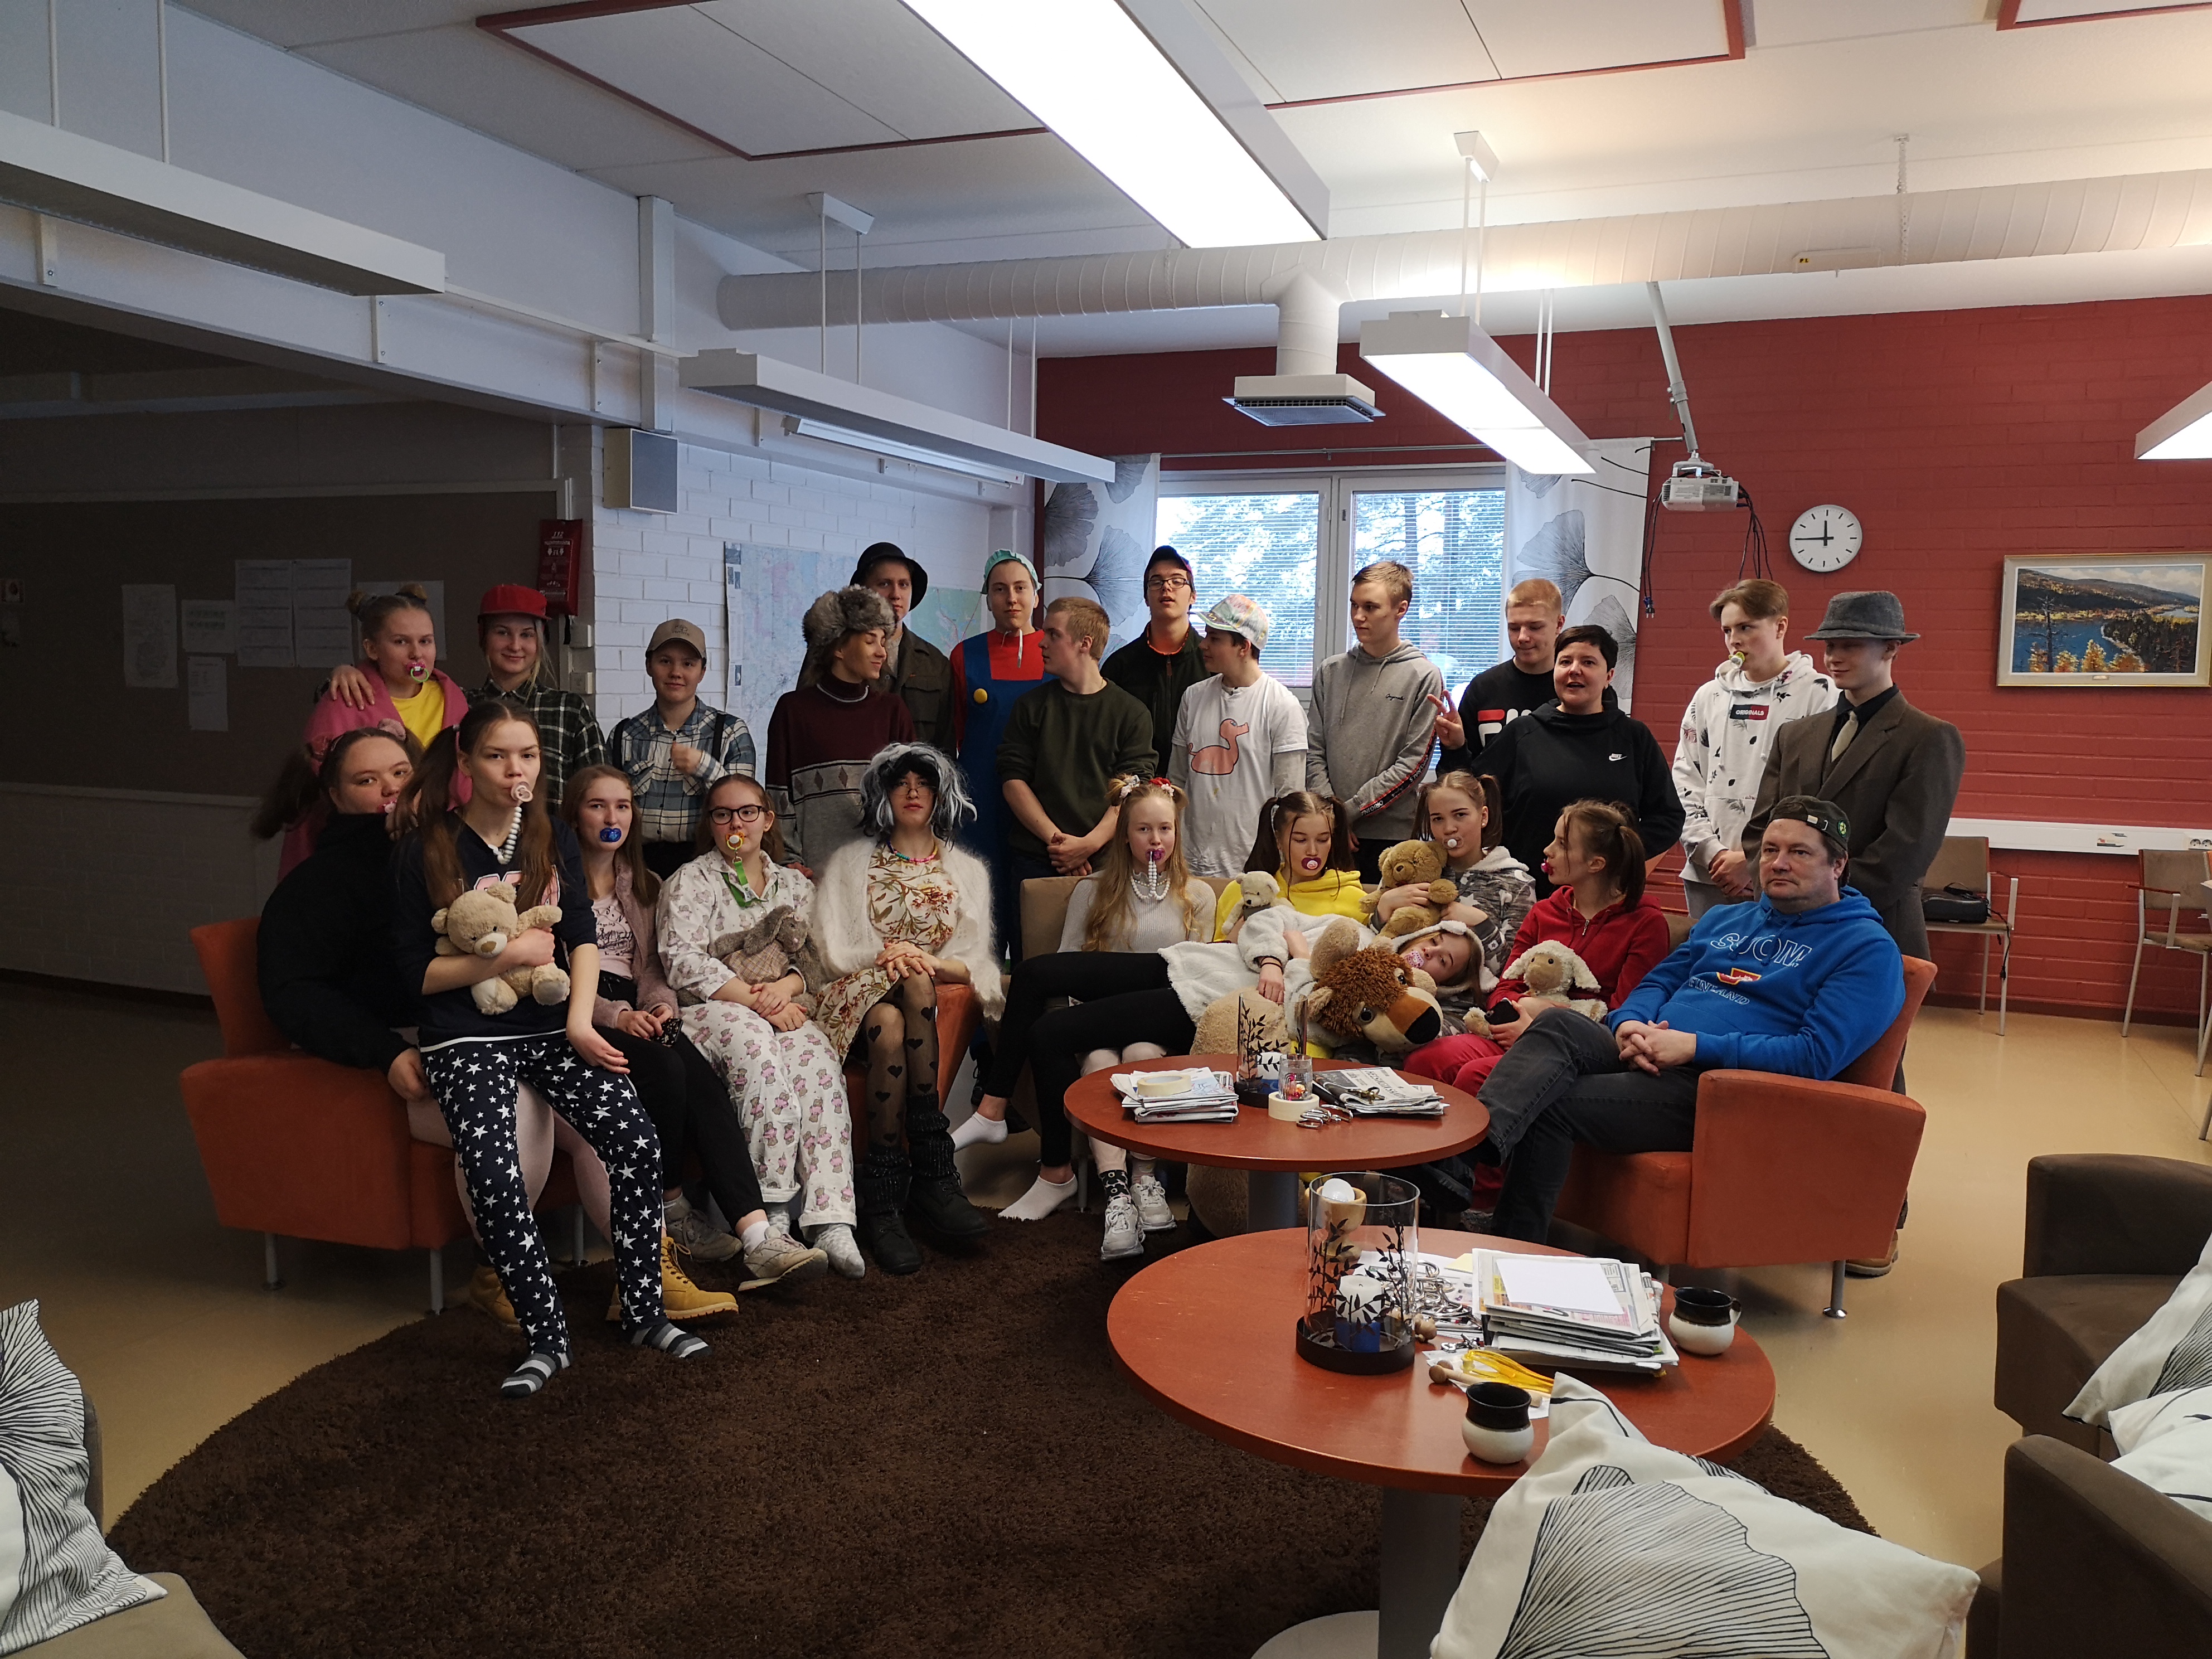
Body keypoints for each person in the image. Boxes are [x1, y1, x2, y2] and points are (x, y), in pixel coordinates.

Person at [391, 698, 707, 1397]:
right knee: (495, 1174)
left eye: (528, 756)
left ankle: (646, 1314)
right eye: (498, 756)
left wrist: (580, 1024)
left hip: (550, 1027)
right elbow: (413, 974)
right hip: (465, 1035)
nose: (516, 770)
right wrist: (507, 958)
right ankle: (546, 1339)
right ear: (467, 762)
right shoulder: (426, 848)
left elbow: (582, 937)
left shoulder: (549, 835)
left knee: (635, 1142)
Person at [255, 727, 616, 1331]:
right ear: (334, 795)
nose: (390, 791)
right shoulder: (316, 885)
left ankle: (645, 1271)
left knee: (599, 1115)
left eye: (400, 774)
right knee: (521, 1112)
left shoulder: (452, 853)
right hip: (395, 1049)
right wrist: (384, 1052)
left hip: (485, 1027)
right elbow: (294, 995)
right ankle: (498, 1273)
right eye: (367, 780)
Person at [1473, 797, 1905, 1244]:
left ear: (1838, 865)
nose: (1778, 863)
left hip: (1721, 1089)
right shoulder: (1726, 918)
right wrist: (1630, 1024)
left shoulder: (1865, 949)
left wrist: (1693, 1046)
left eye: (1800, 852)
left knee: (1555, 1102)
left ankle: (1511, 1244)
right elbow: (1659, 982)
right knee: (1557, 1025)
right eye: (1770, 850)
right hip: (1651, 1050)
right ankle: (1470, 1154)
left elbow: (1815, 1055)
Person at [562, 766, 828, 1293]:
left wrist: (659, 1007)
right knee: (666, 1070)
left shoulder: (644, 885)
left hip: (641, 1006)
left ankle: (759, 1238)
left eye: (622, 806)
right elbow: (553, 975)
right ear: (575, 816)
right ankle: (673, 1207)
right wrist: (616, 1016)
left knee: (699, 1077)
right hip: (584, 1013)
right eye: (598, 806)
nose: (612, 817)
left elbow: (654, 968)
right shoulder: (553, 885)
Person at [955, 777, 1215, 1251]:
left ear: (1178, 833)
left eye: (1165, 829)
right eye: (1143, 829)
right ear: (1125, 835)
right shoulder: (1092, 890)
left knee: (1134, 1049)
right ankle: (1113, 1190)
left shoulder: (1198, 896)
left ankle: (1140, 1178)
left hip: (1163, 1015)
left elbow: (1194, 980)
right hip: (1098, 1017)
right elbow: (1070, 968)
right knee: (1087, 1046)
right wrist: (1093, 1021)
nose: (1155, 840)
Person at [657, 773, 869, 1280]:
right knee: (757, 1054)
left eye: (747, 812)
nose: (736, 824)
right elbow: (681, 960)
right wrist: (758, 1002)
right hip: (714, 1008)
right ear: (711, 824)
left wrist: (787, 990)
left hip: (784, 1003)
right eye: (723, 814)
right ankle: (770, 1215)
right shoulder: (690, 881)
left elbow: (819, 957)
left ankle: (831, 1218)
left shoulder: (795, 885)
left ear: (768, 820)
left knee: (817, 1062)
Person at [809, 745, 1003, 1275]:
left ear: (941, 796)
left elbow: (976, 962)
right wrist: (891, 957)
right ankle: (933, 1167)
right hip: (853, 994)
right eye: (902, 783)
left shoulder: (968, 871)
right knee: (910, 980)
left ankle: (884, 1199)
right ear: (885, 795)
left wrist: (929, 962)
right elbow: (830, 951)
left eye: (925, 783)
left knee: (896, 1018)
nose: (913, 792)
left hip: (912, 1005)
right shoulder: (851, 863)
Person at [1741, 591, 1966, 966]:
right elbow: (1759, 829)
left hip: (1872, 925)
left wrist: (1821, 898)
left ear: (1891, 648)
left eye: (1851, 646)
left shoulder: (1927, 737)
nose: (1834, 657)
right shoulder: (1795, 735)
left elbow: (1906, 849)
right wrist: (1777, 888)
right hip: (1783, 924)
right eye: (1830, 646)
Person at [1405, 801, 1671, 1103]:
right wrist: (1521, 1009)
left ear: (1596, 864)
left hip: (1580, 1049)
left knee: (1475, 1075)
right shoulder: (1545, 911)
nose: (1548, 850)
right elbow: (1505, 986)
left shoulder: (1645, 924)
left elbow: (1625, 1014)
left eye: (1562, 844)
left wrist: (1542, 1028)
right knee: (1424, 1062)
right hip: (1518, 1028)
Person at [326, 584, 607, 806]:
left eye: (527, 635)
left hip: (554, 849)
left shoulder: (570, 710)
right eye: (502, 633)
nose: (515, 645)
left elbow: (598, 791)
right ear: (483, 637)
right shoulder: (460, 704)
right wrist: (347, 673)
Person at [1473, 624, 1684, 898]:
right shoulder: (1522, 733)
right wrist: (1455, 748)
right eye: (1565, 662)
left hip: (1604, 898)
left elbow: (1668, 817)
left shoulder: (1634, 737)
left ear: (1609, 676)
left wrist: (1623, 862)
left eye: (1588, 662)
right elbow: (1474, 799)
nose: (1575, 670)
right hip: (1525, 893)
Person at [1673, 580, 1836, 919]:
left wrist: (1753, 859)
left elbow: (1818, 791)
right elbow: (1685, 779)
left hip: (1784, 873)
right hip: (1711, 873)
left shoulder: (1821, 695)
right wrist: (1711, 852)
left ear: (1780, 627)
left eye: (1746, 627)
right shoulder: (1708, 697)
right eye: (1727, 630)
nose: (1734, 639)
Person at [283, 585, 466, 875]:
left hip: (438, 846)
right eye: (400, 642)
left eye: (426, 641)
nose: (416, 653)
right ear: (372, 649)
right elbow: (321, 782)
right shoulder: (345, 697)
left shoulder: (453, 697)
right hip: (362, 851)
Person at [998, 595, 1157, 920]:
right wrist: (1060, 844)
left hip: (1105, 863)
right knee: (1033, 952)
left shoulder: (1131, 713)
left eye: (1053, 634)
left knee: (1100, 951)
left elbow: (1132, 791)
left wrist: (1088, 845)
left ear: (1085, 643)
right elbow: (1012, 779)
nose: (1041, 642)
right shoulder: (1030, 707)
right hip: (1037, 858)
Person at [1307, 560, 1446, 884]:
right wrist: (1331, 816)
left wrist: (1348, 813)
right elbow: (1314, 750)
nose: (1358, 616)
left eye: (1370, 607)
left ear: (1401, 609)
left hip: (1390, 836)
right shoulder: (1331, 671)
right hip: (1329, 832)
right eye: (1354, 605)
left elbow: (1412, 765)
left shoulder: (1423, 675)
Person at [767, 587, 916, 868]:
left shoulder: (893, 711)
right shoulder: (792, 711)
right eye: (870, 641)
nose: (882, 652)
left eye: (883, 642)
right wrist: (789, 862)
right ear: (838, 647)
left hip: (881, 873)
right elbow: (778, 796)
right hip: (813, 873)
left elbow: (911, 795)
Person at [948, 550, 1050, 945]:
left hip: (1042, 799)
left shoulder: (1054, 651)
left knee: (1033, 913)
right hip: (980, 802)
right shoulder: (966, 654)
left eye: (1021, 588)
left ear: (1036, 596)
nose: (1011, 599)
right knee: (980, 909)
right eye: (1000, 589)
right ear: (988, 598)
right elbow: (957, 730)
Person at [1168, 594, 1308, 880]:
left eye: (1215, 638)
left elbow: (1290, 798)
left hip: (1252, 864)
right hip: (1190, 860)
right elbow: (1176, 781)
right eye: (1206, 635)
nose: (1203, 644)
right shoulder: (1193, 697)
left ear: (1244, 646)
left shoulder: (1282, 705)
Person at [608, 618, 756, 881]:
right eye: (665, 661)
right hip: (636, 868)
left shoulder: (731, 732)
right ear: (649, 665)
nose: (676, 672)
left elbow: (744, 814)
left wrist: (706, 768)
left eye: (688, 664)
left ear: (702, 671)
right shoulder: (624, 735)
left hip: (709, 868)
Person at [1374, 772, 1536, 995]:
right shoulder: (1410, 863)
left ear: (1484, 816)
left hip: (1465, 1009)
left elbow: (1516, 972)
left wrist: (1483, 925)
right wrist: (1383, 909)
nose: (1449, 828)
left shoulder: (1516, 884)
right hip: (1393, 993)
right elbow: (1373, 946)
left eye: (1460, 815)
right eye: (1438, 819)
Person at [1432, 578, 1612, 772]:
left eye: (1535, 627)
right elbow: (1460, 775)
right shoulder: (1483, 688)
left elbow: (1604, 765)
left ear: (1559, 624)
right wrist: (1455, 748)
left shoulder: (1581, 689)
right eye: (1514, 628)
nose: (1523, 637)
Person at [800, 543, 954, 751]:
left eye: (904, 584)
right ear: (863, 591)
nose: (896, 594)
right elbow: (804, 719)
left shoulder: (935, 663)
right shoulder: (833, 650)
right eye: (884, 584)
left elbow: (944, 746)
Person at [1211, 791, 1370, 960]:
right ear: (1278, 840)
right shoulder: (1243, 892)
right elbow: (1216, 958)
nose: (1312, 851)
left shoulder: (1356, 900)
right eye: (1300, 840)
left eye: (1322, 840)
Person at [1103, 546, 1207, 759]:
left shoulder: (1212, 661)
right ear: (1146, 598)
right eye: (1156, 582)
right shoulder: (1120, 666)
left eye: (1177, 581)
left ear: (1193, 596)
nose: (1166, 587)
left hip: (1201, 775)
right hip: (1138, 776)